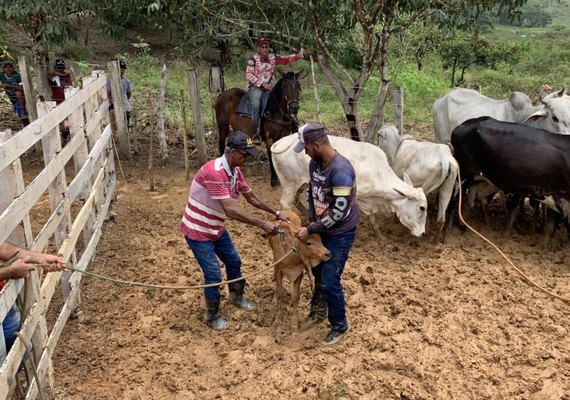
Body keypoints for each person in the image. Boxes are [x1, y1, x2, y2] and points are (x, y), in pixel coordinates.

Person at [180, 131, 288, 330]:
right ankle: (211, 315)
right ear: (233, 152)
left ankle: (236, 297)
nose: (247, 159)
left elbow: (252, 198)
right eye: (244, 154)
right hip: (198, 230)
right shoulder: (215, 172)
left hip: (216, 228)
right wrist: (262, 224)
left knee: (234, 261)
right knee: (213, 274)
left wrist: (276, 212)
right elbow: (230, 209)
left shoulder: (235, 172)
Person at [293, 123, 361, 345]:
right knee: (319, 272)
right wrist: (312, 220)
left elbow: (339, 211)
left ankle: (339, 325)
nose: (305, 152)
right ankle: (318, 310)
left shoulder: (341, 171)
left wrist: (311, 229)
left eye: (306, 147)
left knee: (331, 279)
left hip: (340, 232)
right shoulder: (315, 163)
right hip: (322, 227)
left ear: (317, 144)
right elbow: (313, 192)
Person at [0, 241, 65, 363]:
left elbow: (2, 248)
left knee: (22, 350)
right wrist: (9, 272)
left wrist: (40, 258)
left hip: (3, 300)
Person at [246, 36, 311, 143]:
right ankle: (256, 132)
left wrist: (302, 55)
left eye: (266, 46)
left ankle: (293, 123)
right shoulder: (253, 59)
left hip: (269, 87)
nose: (265, 49)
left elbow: (287, 59)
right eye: (262, 47)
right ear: (258, 48)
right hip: (256, 87)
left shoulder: (272, 58)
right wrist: (262, 84)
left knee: (281, 100)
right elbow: (249, 75)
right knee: (256, 104)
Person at [0, 60, 29, 127]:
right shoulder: (2, 75)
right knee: (20, 114)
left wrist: (8, 85)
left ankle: (27, 124)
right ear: (3, 69)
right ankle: (27, 125)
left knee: (18, 93)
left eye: (10, 67)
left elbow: (22, 88)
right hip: (12, 99)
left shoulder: (17, 76)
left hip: (21, 98)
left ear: (13, 68)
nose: (8, 69)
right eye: (6, 67)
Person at [106, 60, 132, 129]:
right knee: (112, 120)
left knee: (127, 120)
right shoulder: (110, 81)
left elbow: (128, 94)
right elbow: (108, 94)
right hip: (113, 103)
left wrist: (123, 101)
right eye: (121, 69)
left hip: (124, 103)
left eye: (124, 69)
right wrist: (114, 103)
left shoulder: (126, 81)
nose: (122, 71)